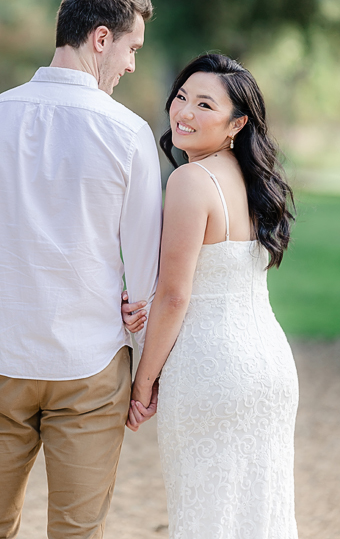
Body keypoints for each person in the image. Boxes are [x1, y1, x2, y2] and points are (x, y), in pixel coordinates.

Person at [0, 0, 162, 539]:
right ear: (100, 38)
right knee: (77, 531)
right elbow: (144, 270)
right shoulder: (129, 132)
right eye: (131, 47)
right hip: (90, 365)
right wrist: (141, 364)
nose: (132, 64)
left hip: (0, 359)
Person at [124, 53, 298, 538]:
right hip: (271, 369)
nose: (184, 112)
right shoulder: (257, 183)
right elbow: (213, 282)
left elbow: (177, 297)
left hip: (212, 372)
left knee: (207, 517)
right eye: (181, 97)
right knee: (261, 516)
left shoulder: (189, 180)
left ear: (235, 124)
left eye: (204, 104)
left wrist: (143, 382)